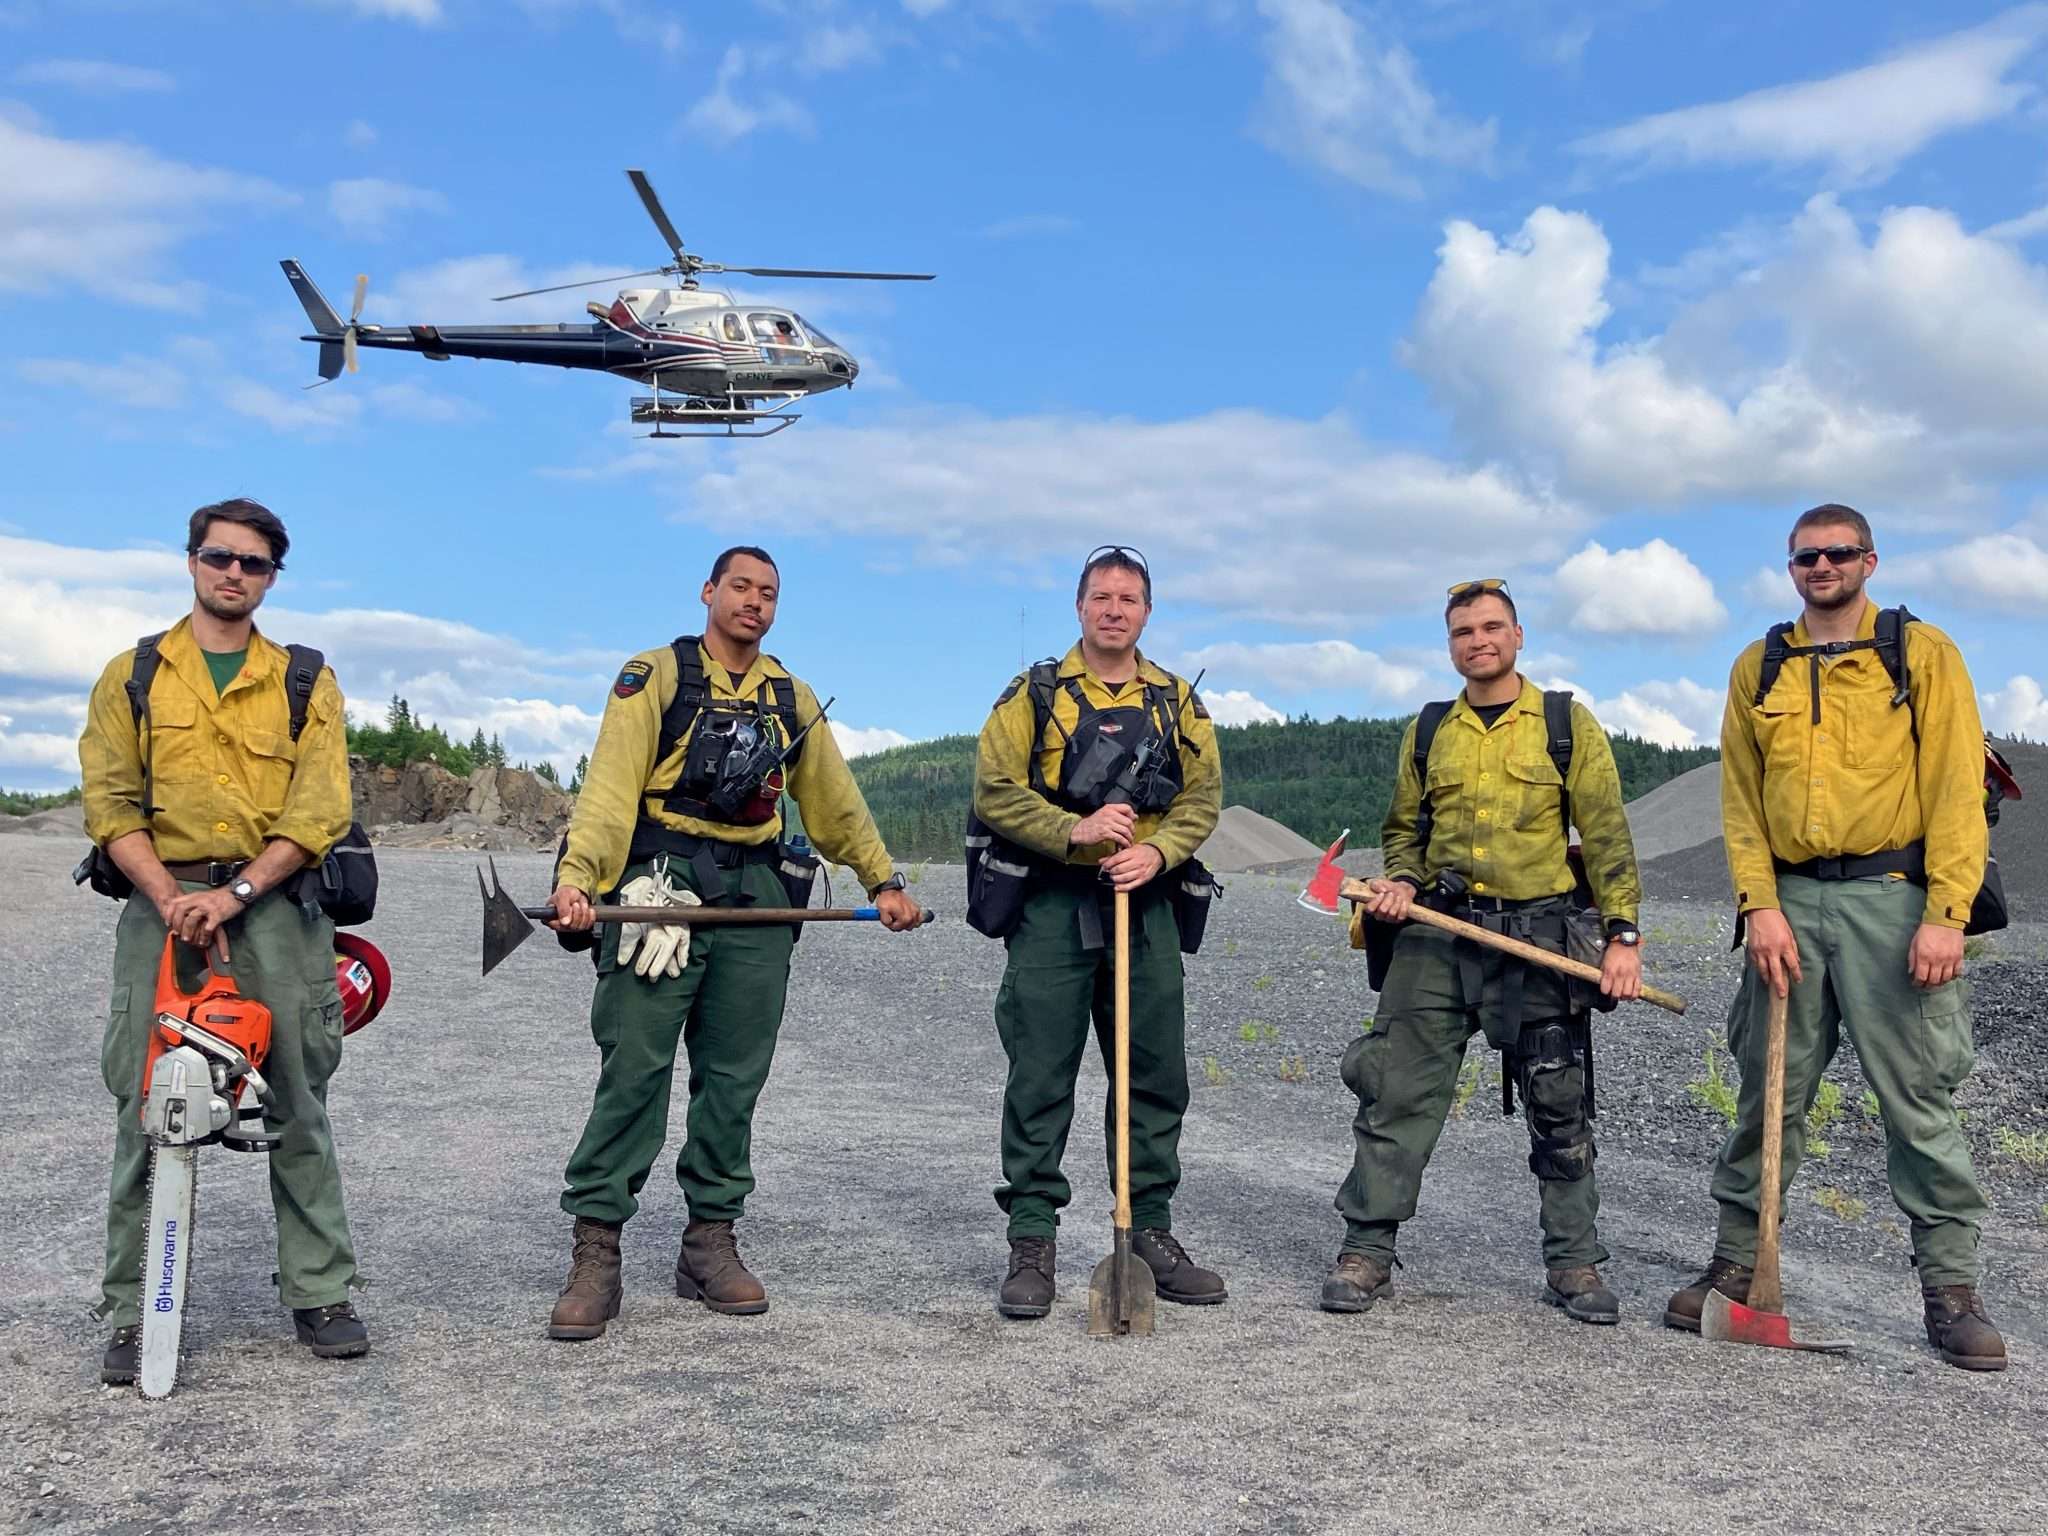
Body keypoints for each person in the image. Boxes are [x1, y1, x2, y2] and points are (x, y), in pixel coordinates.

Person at [543, 546, 923, 1337]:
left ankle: (709, 1243)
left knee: (734, 1077)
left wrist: (881, 881)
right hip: (660, 886)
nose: (754, 602)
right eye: (741, 587)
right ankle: (597, 1250)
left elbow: (833, 801)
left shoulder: (790, 695)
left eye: (769, 593)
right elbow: (611, 787)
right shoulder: (656, 677)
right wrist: (580, 878)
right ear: (709, 591)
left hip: (757, 897)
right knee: (636, 1067)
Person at [1664, 504, 2006, 1371]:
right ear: (1791, 569)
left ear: (1869, 560)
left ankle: (1951, 1293)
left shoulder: (1922, 654)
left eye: (1838, 554)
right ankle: (1738, 1270)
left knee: (1917, 1098)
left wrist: (1946, 915)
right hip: (1788, 904)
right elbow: (1740, 801)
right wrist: (1759, 905)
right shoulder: (1760, 666)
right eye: (1806, 557)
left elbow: (1958, 792)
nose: (1822, 567)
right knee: (1766, 1096)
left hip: (1893, 901)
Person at [79, 498, 366, 1383]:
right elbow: (110, 803)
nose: (233, 573)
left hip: (273, 909)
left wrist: (238, 892)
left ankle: (320, 1294)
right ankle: (132, 1313)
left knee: (298, 1105)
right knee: (146, 1103)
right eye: (219, 557)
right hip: (160, 908)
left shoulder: (304, 681)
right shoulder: (133, 675)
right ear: (192, 562)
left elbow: (320, 807)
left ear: (273, 576)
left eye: (253, 563)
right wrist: (171, 898)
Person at [1325, 579, 1643, 1323]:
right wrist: (1400, 880)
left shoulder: (1566, 723)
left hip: (1537, 939)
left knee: (1559, 1101)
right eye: (1464, 631)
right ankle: (1366, 1250)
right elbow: (1404, 827)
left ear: (1519, 635)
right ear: (1451, 644)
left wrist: (1623, 936)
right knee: (1395, 1090)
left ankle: (1574, 1263)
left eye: (1492, 627)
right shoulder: (1430, 729)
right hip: (1438, 935)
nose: (1479, 641)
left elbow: (1605, 834)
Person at [971, 545, 1224, 1320]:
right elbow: (992, 790)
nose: (1114, 610)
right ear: (1079, 607)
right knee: (1040, 1073)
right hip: (1052, 906)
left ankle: (1147, 1229)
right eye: (1101, 597)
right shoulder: (1034, 695)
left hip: (1144, 907)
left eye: (1129, 599)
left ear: (1147, 612)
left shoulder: (1178, 701)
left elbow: (1204, 798)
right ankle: (1032, 1238)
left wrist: (1156, 849)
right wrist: (1072, 829)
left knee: (1153, 1077)